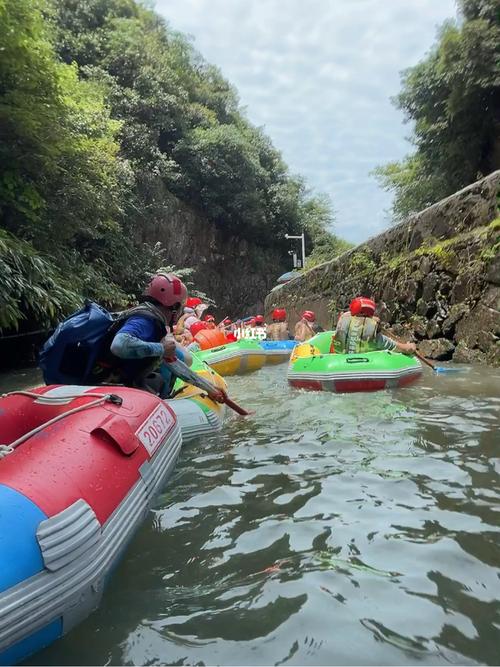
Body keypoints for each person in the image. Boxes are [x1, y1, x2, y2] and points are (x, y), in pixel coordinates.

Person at [333, 297, 416, 354]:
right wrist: (411, 346)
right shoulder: (374, 333)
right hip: (364, 368)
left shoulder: (342, 321)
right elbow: (404, 349)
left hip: (338, 363)